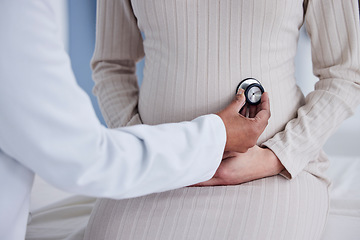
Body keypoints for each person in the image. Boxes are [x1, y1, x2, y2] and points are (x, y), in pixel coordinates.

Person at [83, 0, 360, 239]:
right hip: (157, 173)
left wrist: (275, 157)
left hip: (273, 175)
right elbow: (111, 66)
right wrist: (148, 153)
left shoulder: (273, 163)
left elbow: (345, 74)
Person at [0, 1, 272, 239]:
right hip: (161, 171)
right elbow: (83, 157)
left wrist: (272, 158)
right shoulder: (17, 10)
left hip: (262, 173)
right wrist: (216, 137)